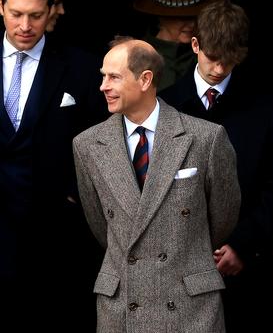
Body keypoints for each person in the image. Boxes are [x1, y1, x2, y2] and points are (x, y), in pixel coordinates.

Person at [73, 37, 240, 332]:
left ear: (145, 79)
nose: (103, 86)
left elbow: (223, 217)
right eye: (103, 76)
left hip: (190, 304)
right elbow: (100, 224)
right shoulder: (87, 145)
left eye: (114, 77)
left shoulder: (206, 137)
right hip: (122, 303)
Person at [160, 0, 273, 332]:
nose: (219, 69)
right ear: (195, 45)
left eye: (229, 60)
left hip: (248, 266)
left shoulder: (267, 108)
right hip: (176, 267)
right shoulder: (163, 106)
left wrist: (242, 244)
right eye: (212, 58)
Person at [0, 0, 107, 330]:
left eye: (35, 15)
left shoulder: (82, 67)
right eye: (16, 14)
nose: (25, 25)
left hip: (55, 235)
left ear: (52, 11)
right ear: (1, 7)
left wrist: (77, 195)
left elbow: (105, 139)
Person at [133, 0, 227, 91]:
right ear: (162, 16)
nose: (192, 24)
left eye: (196, 16)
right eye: (182, 17)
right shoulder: (137, 56)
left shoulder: (209, 53)